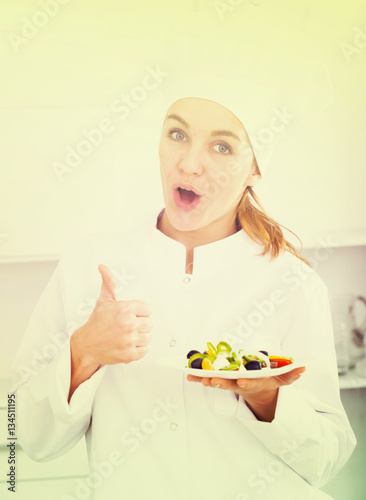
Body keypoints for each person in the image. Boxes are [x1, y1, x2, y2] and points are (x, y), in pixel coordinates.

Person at [11, 90, 356, 500]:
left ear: (255, 170)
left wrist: (267, 398)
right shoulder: (88, 263)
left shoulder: (291, 282)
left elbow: (327, 460)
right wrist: (83, 352)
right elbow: (27, 435)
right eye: (177, 134)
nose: (190, 163)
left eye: (222, 146)